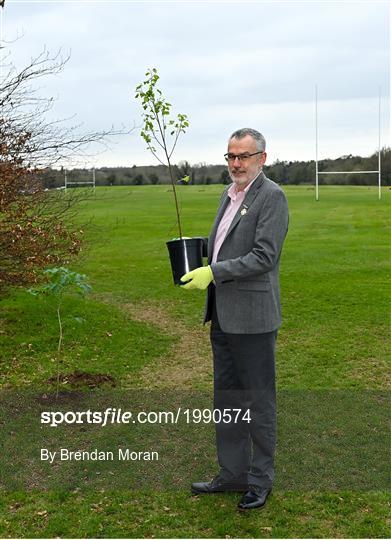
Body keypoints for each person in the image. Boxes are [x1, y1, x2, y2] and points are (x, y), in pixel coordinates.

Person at [180, 128, 289, 511]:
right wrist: (200, 255)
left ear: (262, 158)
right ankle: (232, 474)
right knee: (227, 400)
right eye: (231, 156)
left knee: (258, 402)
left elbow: (264, 256)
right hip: (223, 317)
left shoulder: (271, 196)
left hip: (254, 320)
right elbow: (226, 245)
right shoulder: (228, 195)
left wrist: (215, 272)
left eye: (243, 156)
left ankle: (260, 480)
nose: (236, 164)